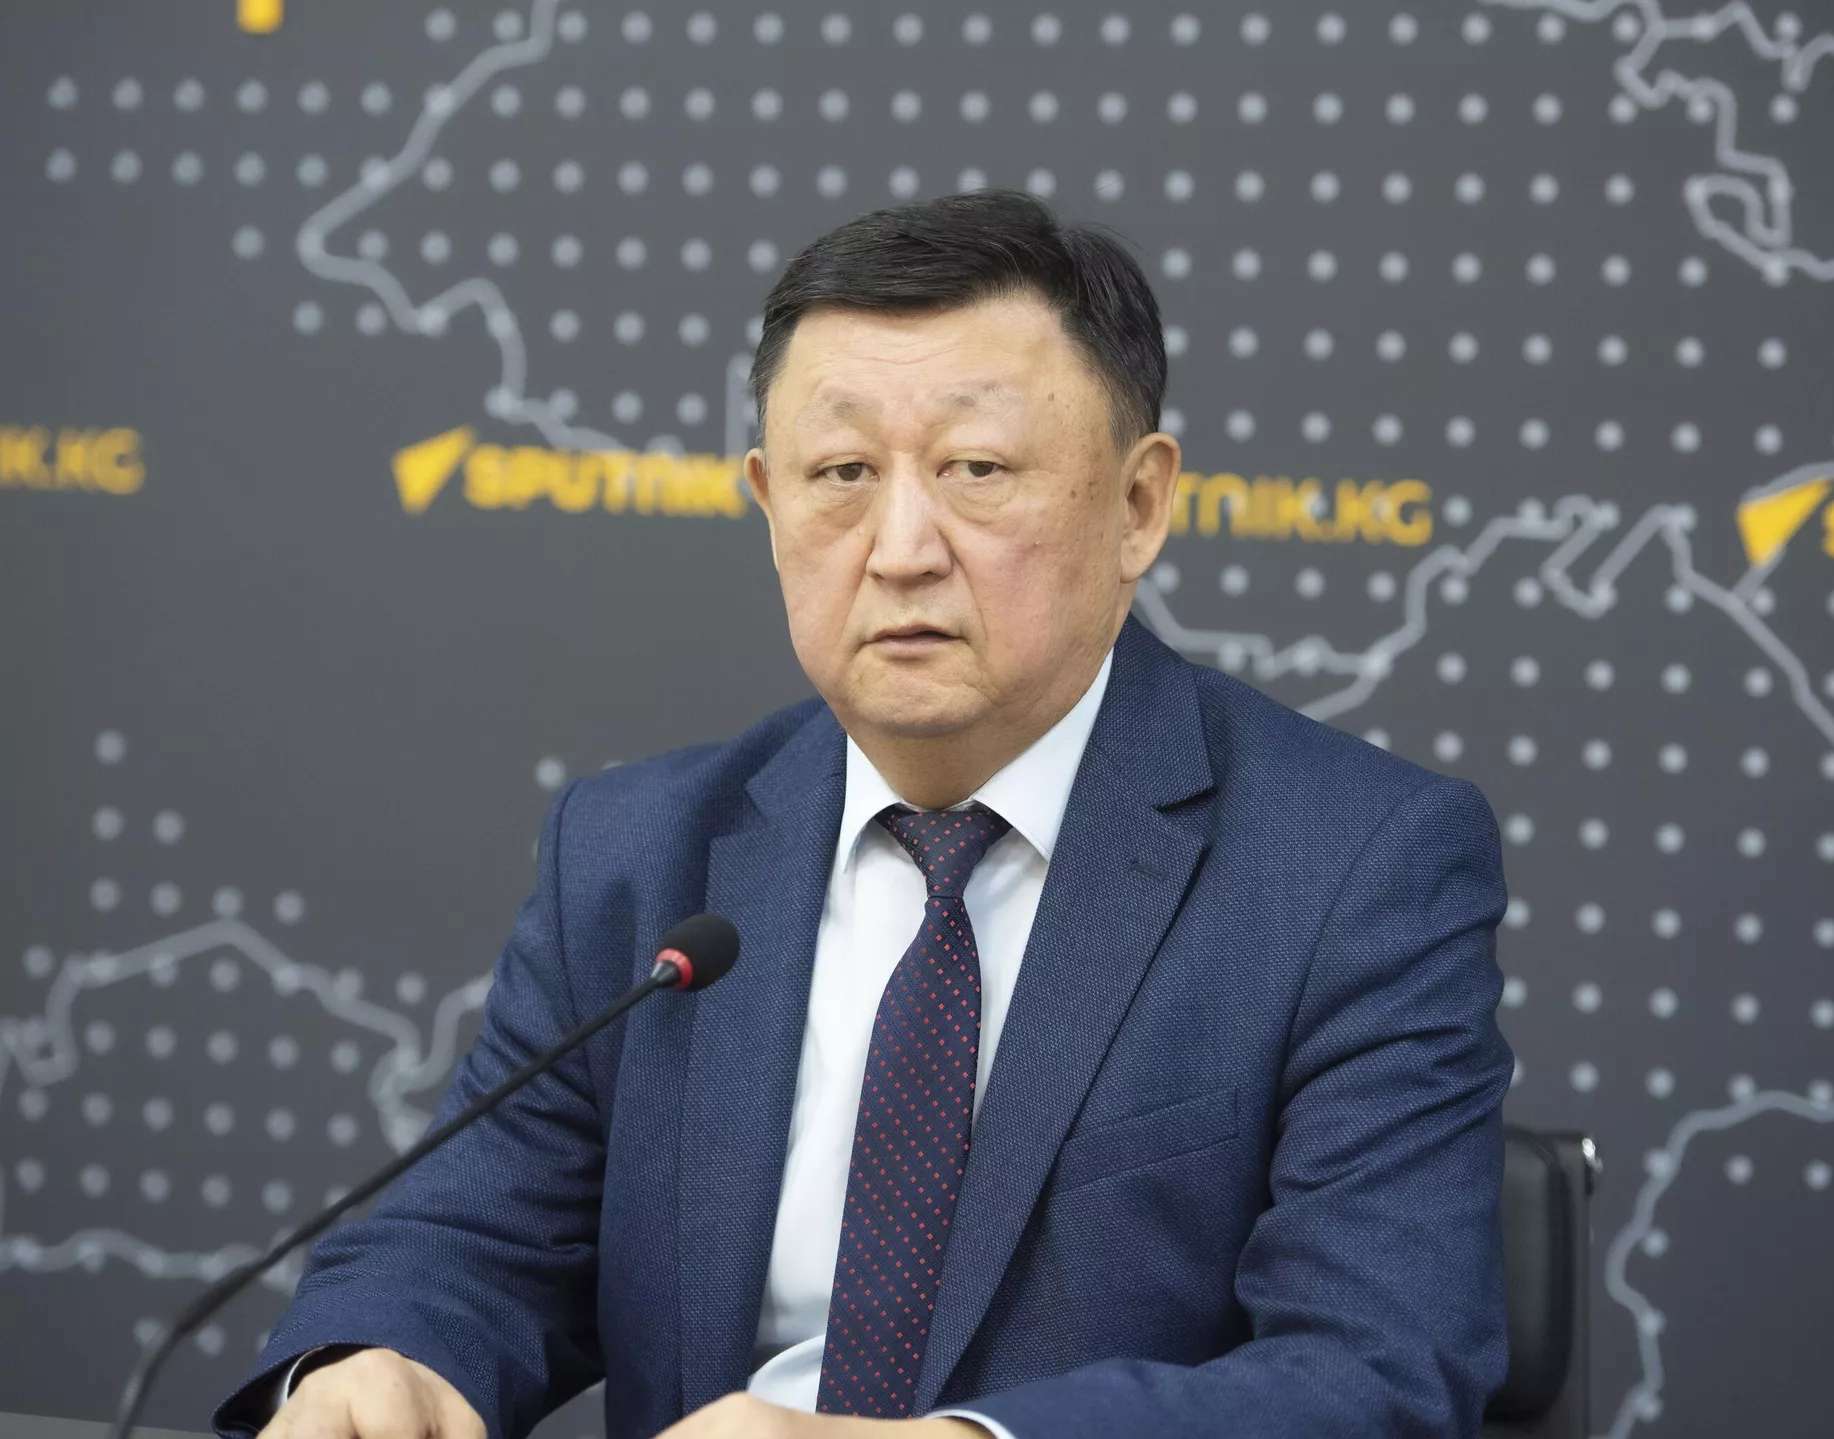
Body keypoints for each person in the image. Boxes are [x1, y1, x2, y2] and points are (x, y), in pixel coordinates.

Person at [212, 190, 1513, 1439]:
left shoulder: (1350, 867)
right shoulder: (637, 857)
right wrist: (377, 1359)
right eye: (840, 472)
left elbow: (1375, 1371)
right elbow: (467, 1240)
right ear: (769, 504)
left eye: (976, 468)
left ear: (1139, 505)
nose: (899, 548)